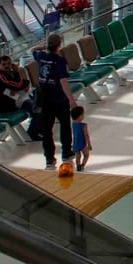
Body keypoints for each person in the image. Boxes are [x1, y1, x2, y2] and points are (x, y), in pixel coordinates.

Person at [31, 33, 74, 170]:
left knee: (47, 130)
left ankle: (49, 158)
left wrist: (45, 47)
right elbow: (63, 81)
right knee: (65, 125)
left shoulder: (42, 56)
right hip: (59, 99)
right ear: (59, 45)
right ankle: (66, 152)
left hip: (45, 100)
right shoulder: (60, 61)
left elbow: (32, 50)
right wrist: (71, 99)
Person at [70, 105, 92, 172]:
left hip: (75, 143)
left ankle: (78, 166)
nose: (83, 116)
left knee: (78, 156)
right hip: (82, 143)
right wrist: (89, 144)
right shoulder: (83, 125)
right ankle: (82, 165)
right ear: (79, 116)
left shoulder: (73, 124)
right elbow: (86, 135)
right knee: (86, 155)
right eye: (83, 114)